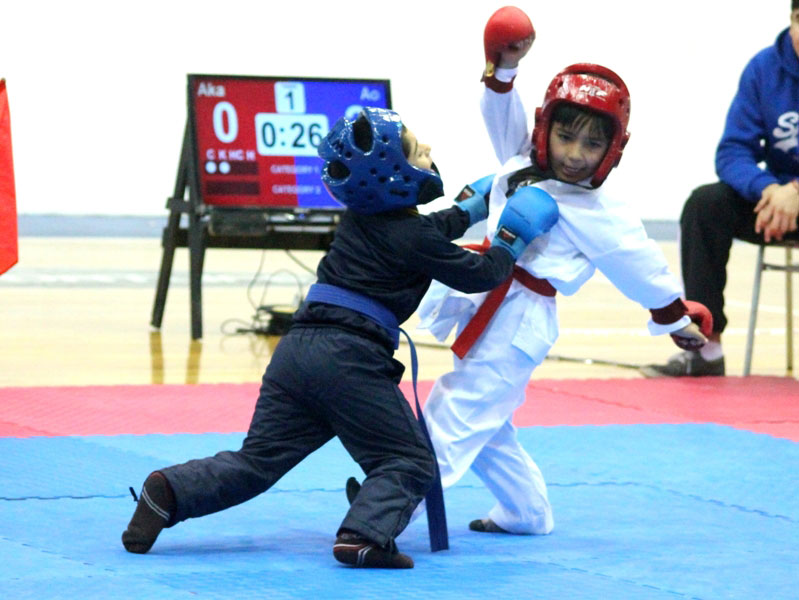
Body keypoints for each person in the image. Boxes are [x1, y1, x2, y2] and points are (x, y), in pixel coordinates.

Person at [121, 106, 558, 568]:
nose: (427, 149)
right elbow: (480, 272)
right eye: (415, 148)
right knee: (410, 461)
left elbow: (426, 231)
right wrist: (512, 237)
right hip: (349, 360)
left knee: (257, 462)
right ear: (393, 174)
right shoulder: (409, 234)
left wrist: (471, 205)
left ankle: (168, 492)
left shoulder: (361, 220)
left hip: (297, 352)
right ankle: (364, 535)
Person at [410, 6, 711, 536]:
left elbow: (639, 266)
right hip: (488, 294)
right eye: (566, 137)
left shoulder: (602, 211)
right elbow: (500, 116)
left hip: (521, 315)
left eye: (593, 143)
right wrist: (501, 69)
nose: (574, 155)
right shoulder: (524, 158)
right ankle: (526, 513)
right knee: (487, 420)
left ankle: (387, 504)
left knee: (456, 412)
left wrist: (675, 316)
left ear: (613, 148)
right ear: (545, 129)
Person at [642, 2, 799, 377]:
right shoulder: (764, 69)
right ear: (794, 18)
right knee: (705, 205)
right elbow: (732, 151)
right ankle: (705, 351)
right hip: (774, 205)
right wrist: (771, 190)